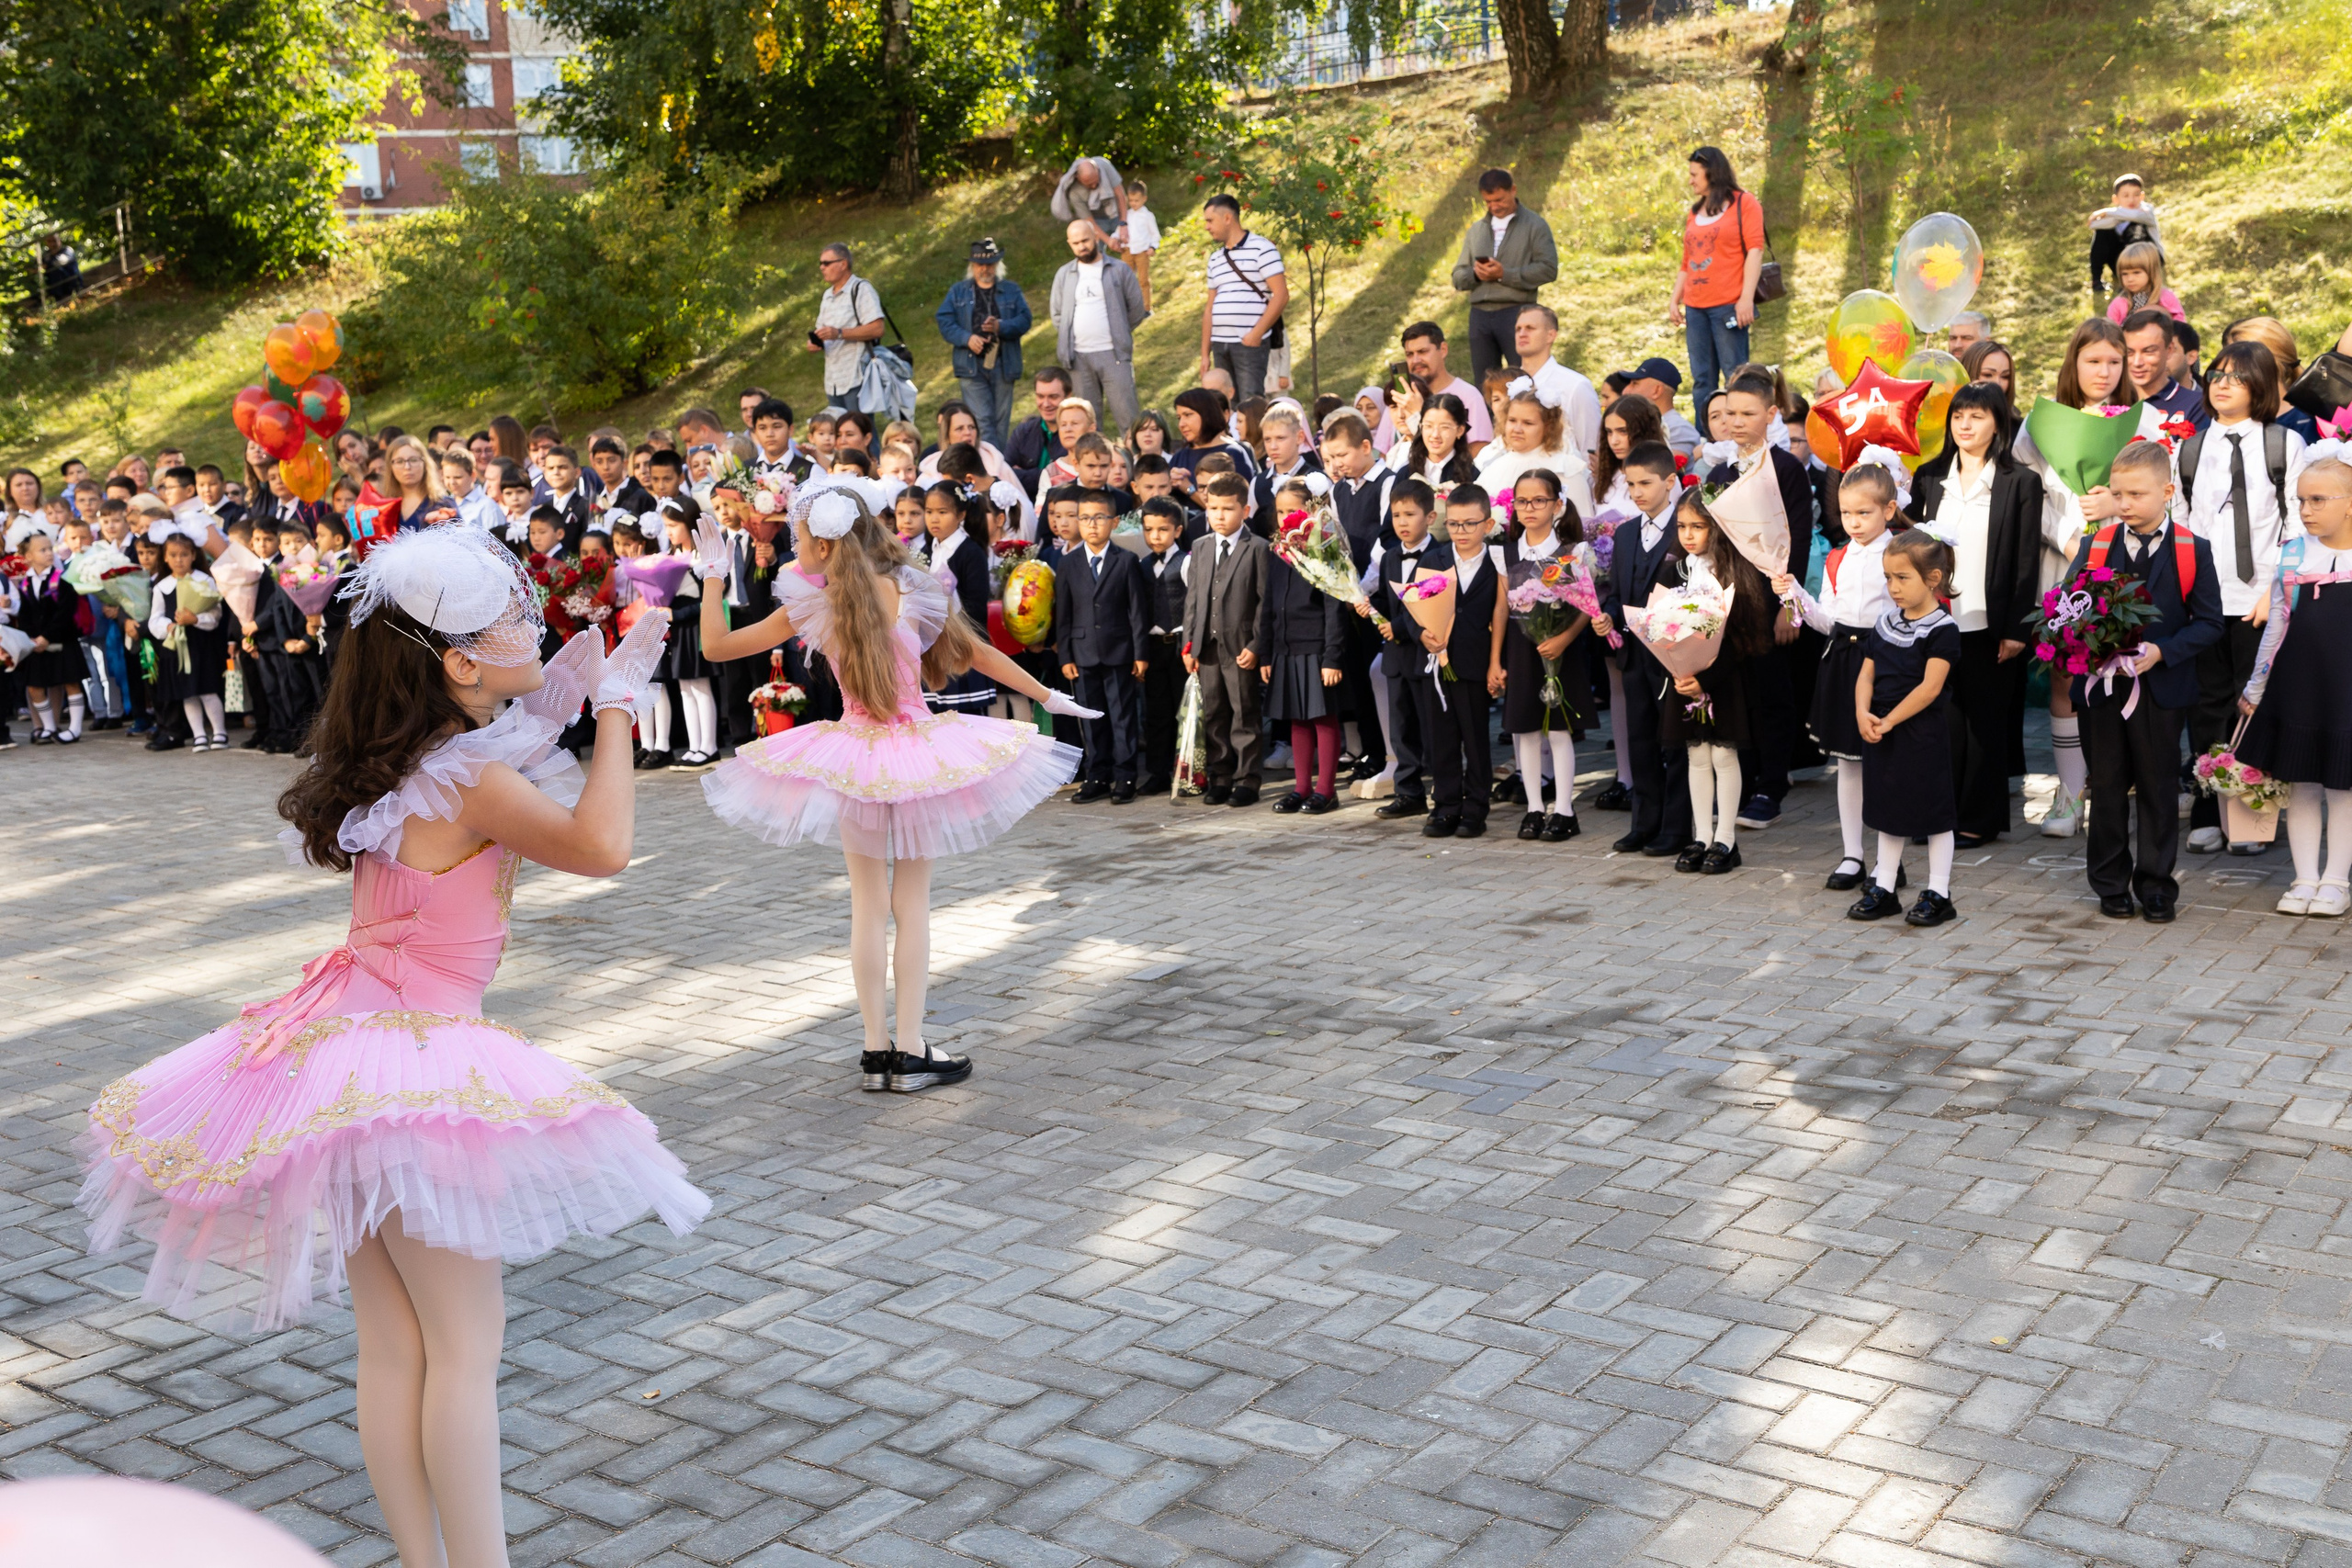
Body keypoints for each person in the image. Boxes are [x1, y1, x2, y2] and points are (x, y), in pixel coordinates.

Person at [81, 529, 707, 1568]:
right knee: (463, 1349)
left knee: (398, 1343)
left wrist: (554, 699)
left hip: (345, 1051)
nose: (530, 629)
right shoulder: (467, 779)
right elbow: (601, 846)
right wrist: (617, 712)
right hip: (412, 1061)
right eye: (509, 623)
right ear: (455, 662)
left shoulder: (418, 758)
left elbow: (505, 756)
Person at [695, 478, 1092, 1091]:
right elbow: (976, 653)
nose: (794, 546)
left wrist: (715, 575)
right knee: (912, 905)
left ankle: (876, 1051)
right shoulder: (912, 586)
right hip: (917, 753)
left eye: (799, 536)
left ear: (825, 546)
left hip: (853, 753)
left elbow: (715, 645)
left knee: (866, 906)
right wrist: (1045, 696)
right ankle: (910, 1050)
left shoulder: (813, 602)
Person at [2013, 316, 2159, 838]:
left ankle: (2119, 791)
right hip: (2062, 567)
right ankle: (2069, 796)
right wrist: (2069, 534)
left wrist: (2114, 506)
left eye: (2114, 362)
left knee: (2122, 675)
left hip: (2124, 570)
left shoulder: (2144, 422)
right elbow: (2026, 499)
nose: (2104, 371)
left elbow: (2166, 496)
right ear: (2073, 363)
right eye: (2093, 361)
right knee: (2066, 676)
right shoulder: (2040, 426)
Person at [2070, 439, 2224, 922]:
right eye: (2118, 495)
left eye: (2136, 494)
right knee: (2109, 784)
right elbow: (2066, 606)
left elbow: (2210, 622)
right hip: (2103, 690)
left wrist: (2164, 651)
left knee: (2158, 787)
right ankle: (2110, 883)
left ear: (2167, 491)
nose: (2125, 505)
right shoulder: (2095, 545)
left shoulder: (2192, 551)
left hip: (2160, 691)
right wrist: (2082, 636)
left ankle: (2157, 885)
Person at [2174, 340, 2309, 855]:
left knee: (2253, 704)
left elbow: (2294, 523)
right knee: (2207, 707)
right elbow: (2184, 524)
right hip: (2208, 598)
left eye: (2238, 376)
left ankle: (2252, 816)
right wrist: (2188, 591)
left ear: (2262, 387)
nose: (2223, 383)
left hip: (2261, 596)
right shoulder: (2189, 448)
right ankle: (2209, 812)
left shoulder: (2282, 444)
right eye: (2216, 374)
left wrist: (2273, 591)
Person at [1911, 384, 2045, 847]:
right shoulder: (1929, 478)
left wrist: (2017, 629)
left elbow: (2026, 560)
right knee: (1938, 722)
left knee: (1983, 726)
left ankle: (1978, 819)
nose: (1965, 425)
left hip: (1990, 624)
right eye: (1959, 416)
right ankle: (1935, 813)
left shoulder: (2020, 482)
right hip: (1935, 621)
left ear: (1998, 424)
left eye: (1977, 416)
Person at [2236, 453, 2352, 917]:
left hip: (2346, 690)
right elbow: (2277, 624)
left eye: (2318, 499)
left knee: (2343, 786)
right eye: (2301, 500)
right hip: (2299, 685)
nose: (2306, 509)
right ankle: (2305, 878)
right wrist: (2256, 687)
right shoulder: (2294, 553)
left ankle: (2337, 881)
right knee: (2301, 783)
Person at [1703, 370, 1818, 831]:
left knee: (1773, 693)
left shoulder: (1786, 470)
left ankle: (1773, 784)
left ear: (1771, 415)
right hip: (1728, 603)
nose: (1736, 421)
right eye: (1729, 413)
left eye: (1747, 413)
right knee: (1735, 694)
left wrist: (1790, 606)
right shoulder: (1718, 472)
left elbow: (1798, 541)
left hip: (1770, 602)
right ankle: (1743, 781)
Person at [1783, 459, 1902, 889]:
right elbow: (1826, 620)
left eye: (1864, 513)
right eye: (1846, 513)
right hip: (1842, 660)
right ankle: (1853, 854)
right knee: (1848, 765)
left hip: (1888, 661)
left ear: (1888, 510)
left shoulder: (1902, 551)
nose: (1853, 522)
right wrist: (1795, 595)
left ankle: (1891, 858)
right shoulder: (1836, 558)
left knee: (1886, 763)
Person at [1845, 530, 1965, 925]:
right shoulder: (1885, 622)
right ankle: (1884, 885)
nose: (1893, 587)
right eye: (1888, 578)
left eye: (1902, 578)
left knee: (1934, 814)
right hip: (1881, 729)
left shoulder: (1942, 629)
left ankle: (1939, 891)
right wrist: (1863, 712)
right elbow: (1867, 674)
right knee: (1887, 809)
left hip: (1920, 733)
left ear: (1933, 578)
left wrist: (1890, 719)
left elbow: (1930, 688)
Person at [1657, 486, 1776, 874]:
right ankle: (1701, 835)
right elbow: (1659, 624)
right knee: (1696, 755)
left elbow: (1742, 637)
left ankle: (1726, 837)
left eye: (1698, 526)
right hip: (1685, 679)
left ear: (1718, 528)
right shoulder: (1674, 568)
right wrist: (1679, 669)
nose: (1688, 534)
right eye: (1682, 526)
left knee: (1723, 755)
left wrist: (1705, 678)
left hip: (1722, 680)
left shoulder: (1734, 571)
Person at [1496, 469, 1593, 841]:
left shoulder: (1569, 552)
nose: (1530, 508)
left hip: (1558, 650)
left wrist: (1564, 639)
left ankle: (1565, 810)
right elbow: (1501, 609)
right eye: (1522, 501)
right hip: (1521, 651)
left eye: (1539, 500)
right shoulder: (1505, 552)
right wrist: (1495, 660)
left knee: (1559, 729)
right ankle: (1534, 807)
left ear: (1557, 505)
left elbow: (1586, 606)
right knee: (1525, 729)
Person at [1258, 474, 1349, 814]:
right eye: (1280, 512)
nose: (1285, 518)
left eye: (1292, 511)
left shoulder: (1324, 549)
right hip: (1285, 648)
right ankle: (1301, 788)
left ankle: (1326, 790)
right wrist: (1267, 652)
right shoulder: (1278, 551)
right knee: (1296, 719)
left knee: (1322, 717)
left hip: (1317, 649)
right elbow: (1268, 605)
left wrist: (1332, 657)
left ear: (1310, 511)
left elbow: (1333, 607)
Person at [1418, 485, 1504, 840]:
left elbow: (1501, 612)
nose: (1461, 532)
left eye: (1470, 524)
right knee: (1442, 739)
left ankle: (1476, 807)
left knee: (1475, 737)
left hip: (1474, 662)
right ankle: (1446, 805)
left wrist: (1494, 663)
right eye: (1454, 524)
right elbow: (1415, 605)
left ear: (1488, 523)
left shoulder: (1498, 561)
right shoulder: (1434, 559)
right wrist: (1423, 633)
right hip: (1438, 662)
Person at [1183, 471, 1271, 806]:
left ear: (1245, 511)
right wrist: (1188, 645)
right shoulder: (1201, 547)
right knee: (1214, 713)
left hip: (1240, 649)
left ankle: (1247, 779)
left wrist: (1256, 645)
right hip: (1205, 647)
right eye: (1213, 508)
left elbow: (1265, 603)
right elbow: (1193, 600)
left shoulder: (1258, 549)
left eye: (1228, 509)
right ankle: (1220, 776)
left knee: (1244, 712)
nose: (1219, 515)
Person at [1055, 489, 1148, 802]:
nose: (1092, 525)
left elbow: (1137, 612)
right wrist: (1065, 654)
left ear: (1115, 521)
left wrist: (1140, 654)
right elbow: (1063, 614)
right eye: (1085, 518)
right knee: (1090, 719)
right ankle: (1097, 776)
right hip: (1081, 654)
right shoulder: (1067, 564)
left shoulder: (1127, 561)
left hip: (1119, 652)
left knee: (1123, 718)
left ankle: (1125, 777)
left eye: (1099, 518)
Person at [1671, 146, 1768, 423]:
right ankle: (1707, 436)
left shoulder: (1744, 203)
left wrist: (1746, 298)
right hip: (1695, 308)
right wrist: (1675, 299)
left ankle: (1741, 430)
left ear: (1711, 173)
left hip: (1728, 305)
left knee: (1736, 375)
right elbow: (1687, 261)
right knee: (1702, 378)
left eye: (1694, 174)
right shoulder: (1695, 212)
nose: (1690, 180)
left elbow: (1755, 250)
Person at [1450, 169, 1559, 384]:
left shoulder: (1535, 226)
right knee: (1485, 382)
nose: (1494, 206)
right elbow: (1458, 276)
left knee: (1525, 380)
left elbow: (1548, 269)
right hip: (1479, 316)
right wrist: (1476, 274)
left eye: (1499, 199)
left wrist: (1504, 275)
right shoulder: (1476, 231)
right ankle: (1489, 418)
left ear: (1513, 190)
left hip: (1517, 313)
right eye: (1488, 202)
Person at [1052, 220, 1149, 438]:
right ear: (1069, 244)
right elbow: (1057, 315)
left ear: (1096, 237)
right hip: (1078, 359)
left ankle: (1136, 466)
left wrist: (1120, 332)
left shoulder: (1119, 269)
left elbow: (1136, 309)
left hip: (1114, 355)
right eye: (1075, 243)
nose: (1081, 247)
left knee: (1129, 420)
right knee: (1085, 426)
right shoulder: (1064, 274)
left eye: (1085, 240)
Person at [935, 238, 1032, 452]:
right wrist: (967, 339)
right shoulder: (958, 291)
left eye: (990, 264)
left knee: (1000, 420)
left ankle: (994, 465)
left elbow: (1025, 320)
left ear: (997, 265)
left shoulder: (1011, 290)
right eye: (980, 264)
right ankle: (993, 466)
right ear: (972, 266)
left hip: (1004, 362)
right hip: (971, 365)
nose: (985, 269)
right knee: (982, 420)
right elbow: (944, 321)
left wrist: (1000, 326)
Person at [1199, 195, 1287, 403]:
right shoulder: (1215, 259)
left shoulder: (1262, 248)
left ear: (1228, 218)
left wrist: (1256, 334)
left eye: (1210, 221)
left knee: (1250, 404)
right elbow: (1209, 308)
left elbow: (1281, 295)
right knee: (1221, 404)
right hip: (1220, 344)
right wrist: (1205, 353)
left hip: (1248, 343)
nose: (1206, 227)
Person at [1478, 381, 1598, 519]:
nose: (1517, 429)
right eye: (1512, 420)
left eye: (1528, 423)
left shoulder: (1564, 468)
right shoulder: (1494, 468)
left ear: (1548, 427)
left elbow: (1583, 524)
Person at [11, 532, 87, 744]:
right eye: (42, 550)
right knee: (35, 686)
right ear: (28, 557)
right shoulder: (26, 584)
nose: (48, 554)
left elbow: (65, 614)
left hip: (63, 640)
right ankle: (49, 727)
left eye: (49, 549)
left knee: (71, 682)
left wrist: (47, 636)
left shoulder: (62, 580)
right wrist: (32, 639)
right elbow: (24, 615)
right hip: (37, 645)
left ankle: (75, 728)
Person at [1136, 498, 1190, 794]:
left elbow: (1193, 606)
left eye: (1163, 529)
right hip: (1154, 646)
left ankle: (1186, 771)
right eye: (1149, 529)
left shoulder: (1187, 561)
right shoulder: (1141, 565)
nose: (1155, 536)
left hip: (1180, 646)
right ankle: (1157, 772)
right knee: (1156, 713)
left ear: (1177, 531)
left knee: (1184, 711)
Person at [1513, 306, 1602, 464]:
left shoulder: (1576, 385)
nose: (1522, 334)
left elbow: (1591, 447)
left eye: (1530, 328)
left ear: (1551, 335)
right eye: (1518, 329)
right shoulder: (1510, 385)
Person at [807, 243, 888, 415]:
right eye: (820, 264)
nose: (822, 268)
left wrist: (840, 333)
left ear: (843, 264)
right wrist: (815, 342)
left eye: (826, 263)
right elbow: (822, 331)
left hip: (856, 376)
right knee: (842, 436)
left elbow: (878, 328)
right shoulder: (827, 296)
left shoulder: (861, 289)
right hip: (833, 380)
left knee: (861, 433)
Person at [2123, 310, 2207, 430]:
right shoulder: (2113, 402)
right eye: (2129, 352)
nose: (2137, 362)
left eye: (2148, 351)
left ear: (2169, 350)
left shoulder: (2198, 405)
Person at [2088, 174, 2161, 296]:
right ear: (2116, 199)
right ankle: (2096, 279)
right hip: (2123, 258)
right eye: (2126, 195)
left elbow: (2136, 216)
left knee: (2135, 227)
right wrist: (2116, 218)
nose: (2131, 200)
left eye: (2136, 195)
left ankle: (2136, 282)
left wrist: (2106, 211)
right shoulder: (2116, 216)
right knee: (2102, 232)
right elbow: (2093, 224)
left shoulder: (2147, 212)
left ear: (2142, 196)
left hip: (2148, 258)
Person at [1620, 357, 1704, 457]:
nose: (1625, 391)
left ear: (1657, 390)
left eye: (1635, 383)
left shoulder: (1678, 429)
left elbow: (1661, 470)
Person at [1050, 154, 1128, 248]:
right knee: (1093, 249)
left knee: (1133, 241)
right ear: (1078, 178)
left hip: (1116, 213)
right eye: (1089, 184)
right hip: (1096, 220)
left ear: (1097, 171)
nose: (1094, 186)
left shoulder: (1104, 165)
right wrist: (1109, 241)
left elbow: (1120, 195)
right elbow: (1088, 220)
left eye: (1096, 181)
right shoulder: (1074, 192)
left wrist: (1123, 223)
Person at [2106, 241, 2184, 324]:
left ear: (2151, 272)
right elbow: (2110, 333)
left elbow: (2181, 329)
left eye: (2136, 273)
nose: (2130, 279)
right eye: (2124, 274)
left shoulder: (2166, 297)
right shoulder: (2119, 304)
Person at [1124, 180, 1161, 310]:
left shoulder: (1147, 216)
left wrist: (1153, 247)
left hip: (1142, 252)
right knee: (1127, 279)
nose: (1133, 203)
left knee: (1143, 280)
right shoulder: (1126, 215)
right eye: (1131, 200)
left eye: (1136, 200)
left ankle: (1146, 308)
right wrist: (1116, 239)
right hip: (1127, 251)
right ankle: (1129, 306)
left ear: (1144, 199)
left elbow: (1155, 234)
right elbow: (1120, 231)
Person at [1962, 339, 2018, 412]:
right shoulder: (1945, 419)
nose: (1998, 383)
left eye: (2005, 376)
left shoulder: (2019, 422)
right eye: (1988, 375)